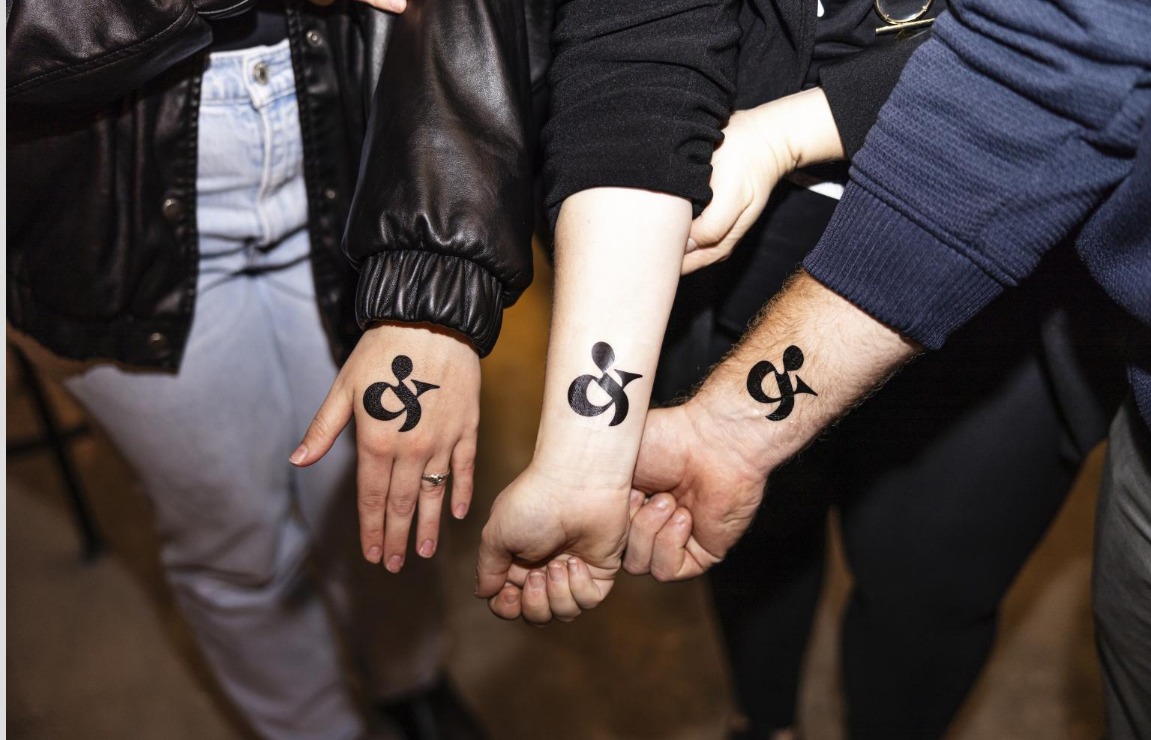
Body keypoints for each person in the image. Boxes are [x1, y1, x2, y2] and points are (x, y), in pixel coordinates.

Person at [8, 0, 537, 737]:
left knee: (380, 496)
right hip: (96, 198)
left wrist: (435, 277)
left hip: (359, 140)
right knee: (235, 543)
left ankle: (408, 678)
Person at [621, 1, 1151, 738]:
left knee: (927, 588)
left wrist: (788, 129)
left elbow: (1072, 52)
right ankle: (764, 718)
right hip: (737, 209)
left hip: (1021, 259)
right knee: (742, 529)